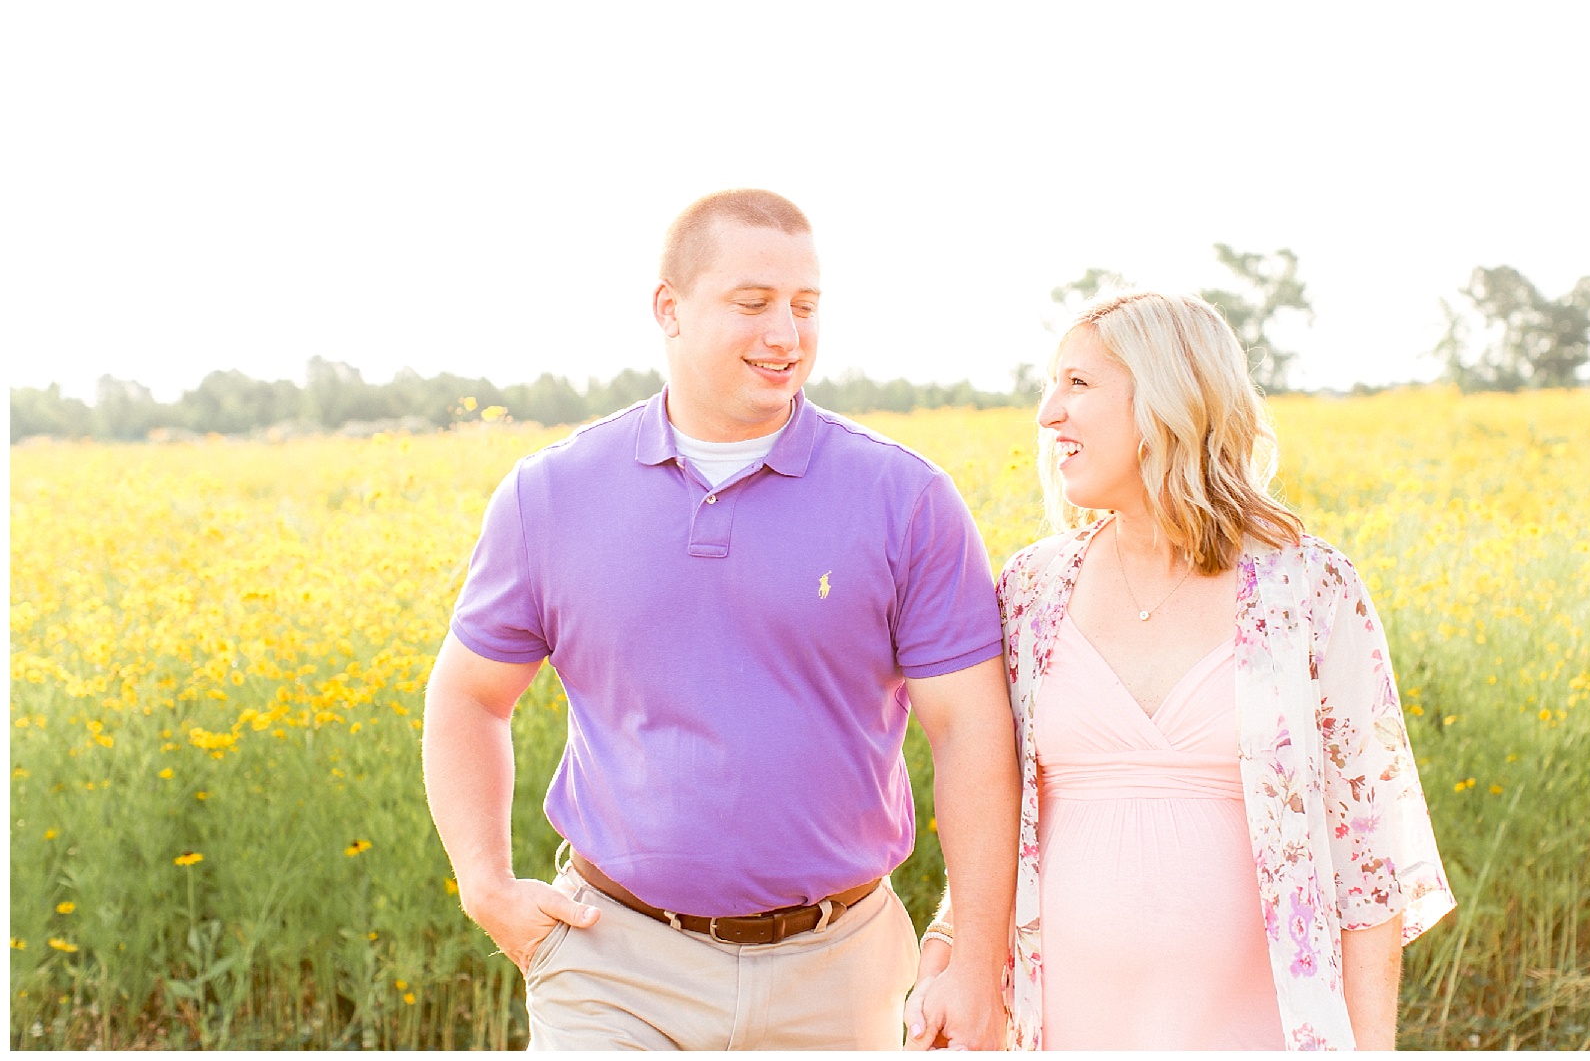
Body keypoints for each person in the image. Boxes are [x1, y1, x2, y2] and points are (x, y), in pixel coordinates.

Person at [422, 189, 1020, 1050]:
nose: (787, 333)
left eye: (805, 306)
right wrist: (485, 885)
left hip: (840, 969)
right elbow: (469, 697)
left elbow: (969, 730)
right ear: (668, 307)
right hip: (611, 967)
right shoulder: (551, 494)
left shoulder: (906, 499)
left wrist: (975, 957)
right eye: (753, 304)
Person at [906, 291, 1455, 1050]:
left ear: (1167, 399)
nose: (1047, 414)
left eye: (1078, 384)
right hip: (1063, 1021)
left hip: (1260, 1029)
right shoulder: (1032, 589)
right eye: (1050, 385)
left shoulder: (1312, 589)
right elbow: (999, 807)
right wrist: (948, 949)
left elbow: (1369, 857)